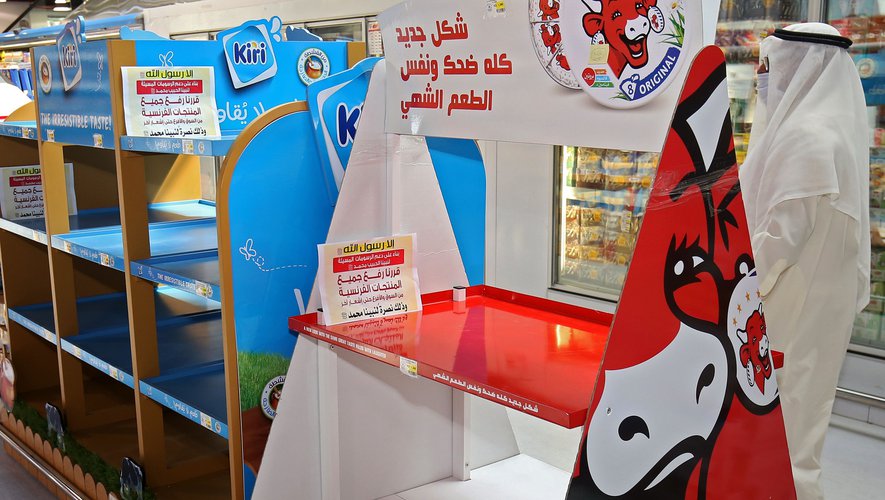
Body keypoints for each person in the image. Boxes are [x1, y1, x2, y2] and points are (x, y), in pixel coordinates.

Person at [739, 22, 870, 500]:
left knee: (780, 429)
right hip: (819, 307)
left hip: (789, 310)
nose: (763, 78)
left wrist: (734, 278)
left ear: (798, 67)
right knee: (803, 423)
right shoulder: (834, 130)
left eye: (770, 66)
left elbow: (779, 242)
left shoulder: (806, 139)